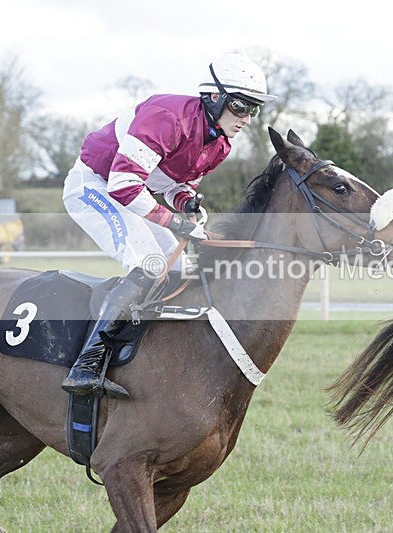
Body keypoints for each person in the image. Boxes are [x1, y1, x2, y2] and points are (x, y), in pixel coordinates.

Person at [61, 52, 277, 399]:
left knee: (179, 266)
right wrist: (176, 222)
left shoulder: (219, 144)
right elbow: (122, 185)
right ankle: (87, 363)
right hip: (96, 184)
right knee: (149, 262)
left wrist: (188, 205)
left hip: (132, 190)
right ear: (215, 97)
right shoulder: (167, 117)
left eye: (253, 110)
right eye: (241, 107)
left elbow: (172, 186)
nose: (247, 118)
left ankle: (147, 353)